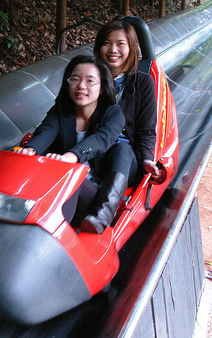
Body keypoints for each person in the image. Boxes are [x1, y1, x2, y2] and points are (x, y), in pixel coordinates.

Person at [15, 55, 123, 226]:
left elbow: (101, 139)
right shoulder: (61, 110)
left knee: (73, 180)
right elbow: (47, 130)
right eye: (75, 79)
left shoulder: (113, 114)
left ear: (101, 87)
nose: (81, 86)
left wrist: (71, 157)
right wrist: (31, 149)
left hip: (91, 192)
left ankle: (52, 234)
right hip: (56, 186)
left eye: (89, 81)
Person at [80, 18, 160, 234]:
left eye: (120, 44)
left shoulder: (143, 83)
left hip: (126, 160)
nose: (113, 50)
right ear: (99, 47)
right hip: (94, 150)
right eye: (107, 43)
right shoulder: (90, 78)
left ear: (131, 48)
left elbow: (146, 130)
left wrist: (146, 159)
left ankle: (102, 215)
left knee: (122, 150)